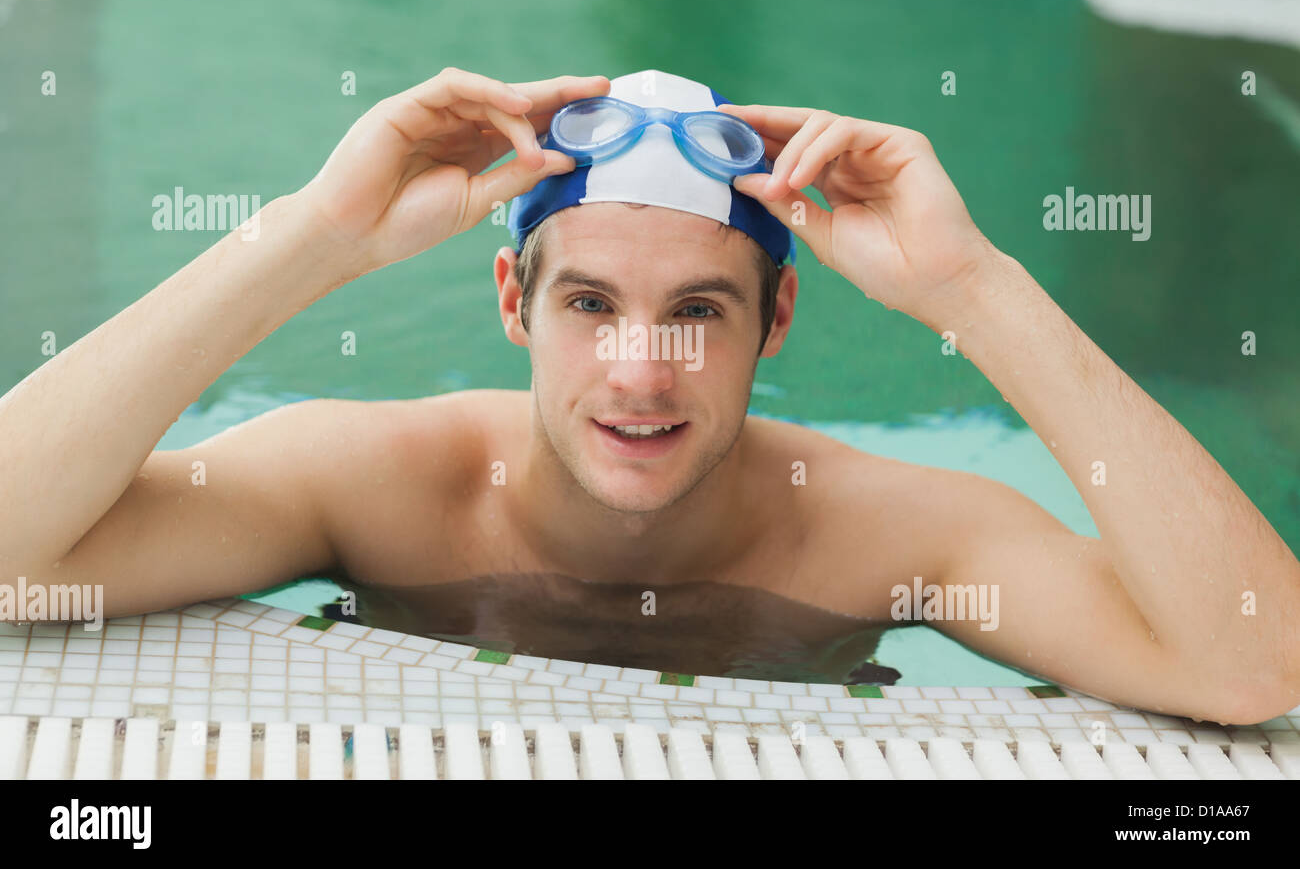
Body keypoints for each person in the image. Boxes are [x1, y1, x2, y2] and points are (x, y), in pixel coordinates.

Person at [1, 67, 1296, 722]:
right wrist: (315, 234)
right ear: (513, 305)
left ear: (776, 320)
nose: (638, 371)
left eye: (697, 312)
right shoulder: (376, 485)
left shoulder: (893, 535)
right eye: (588, 305)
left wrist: (974, 290)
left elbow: (1251, 666)